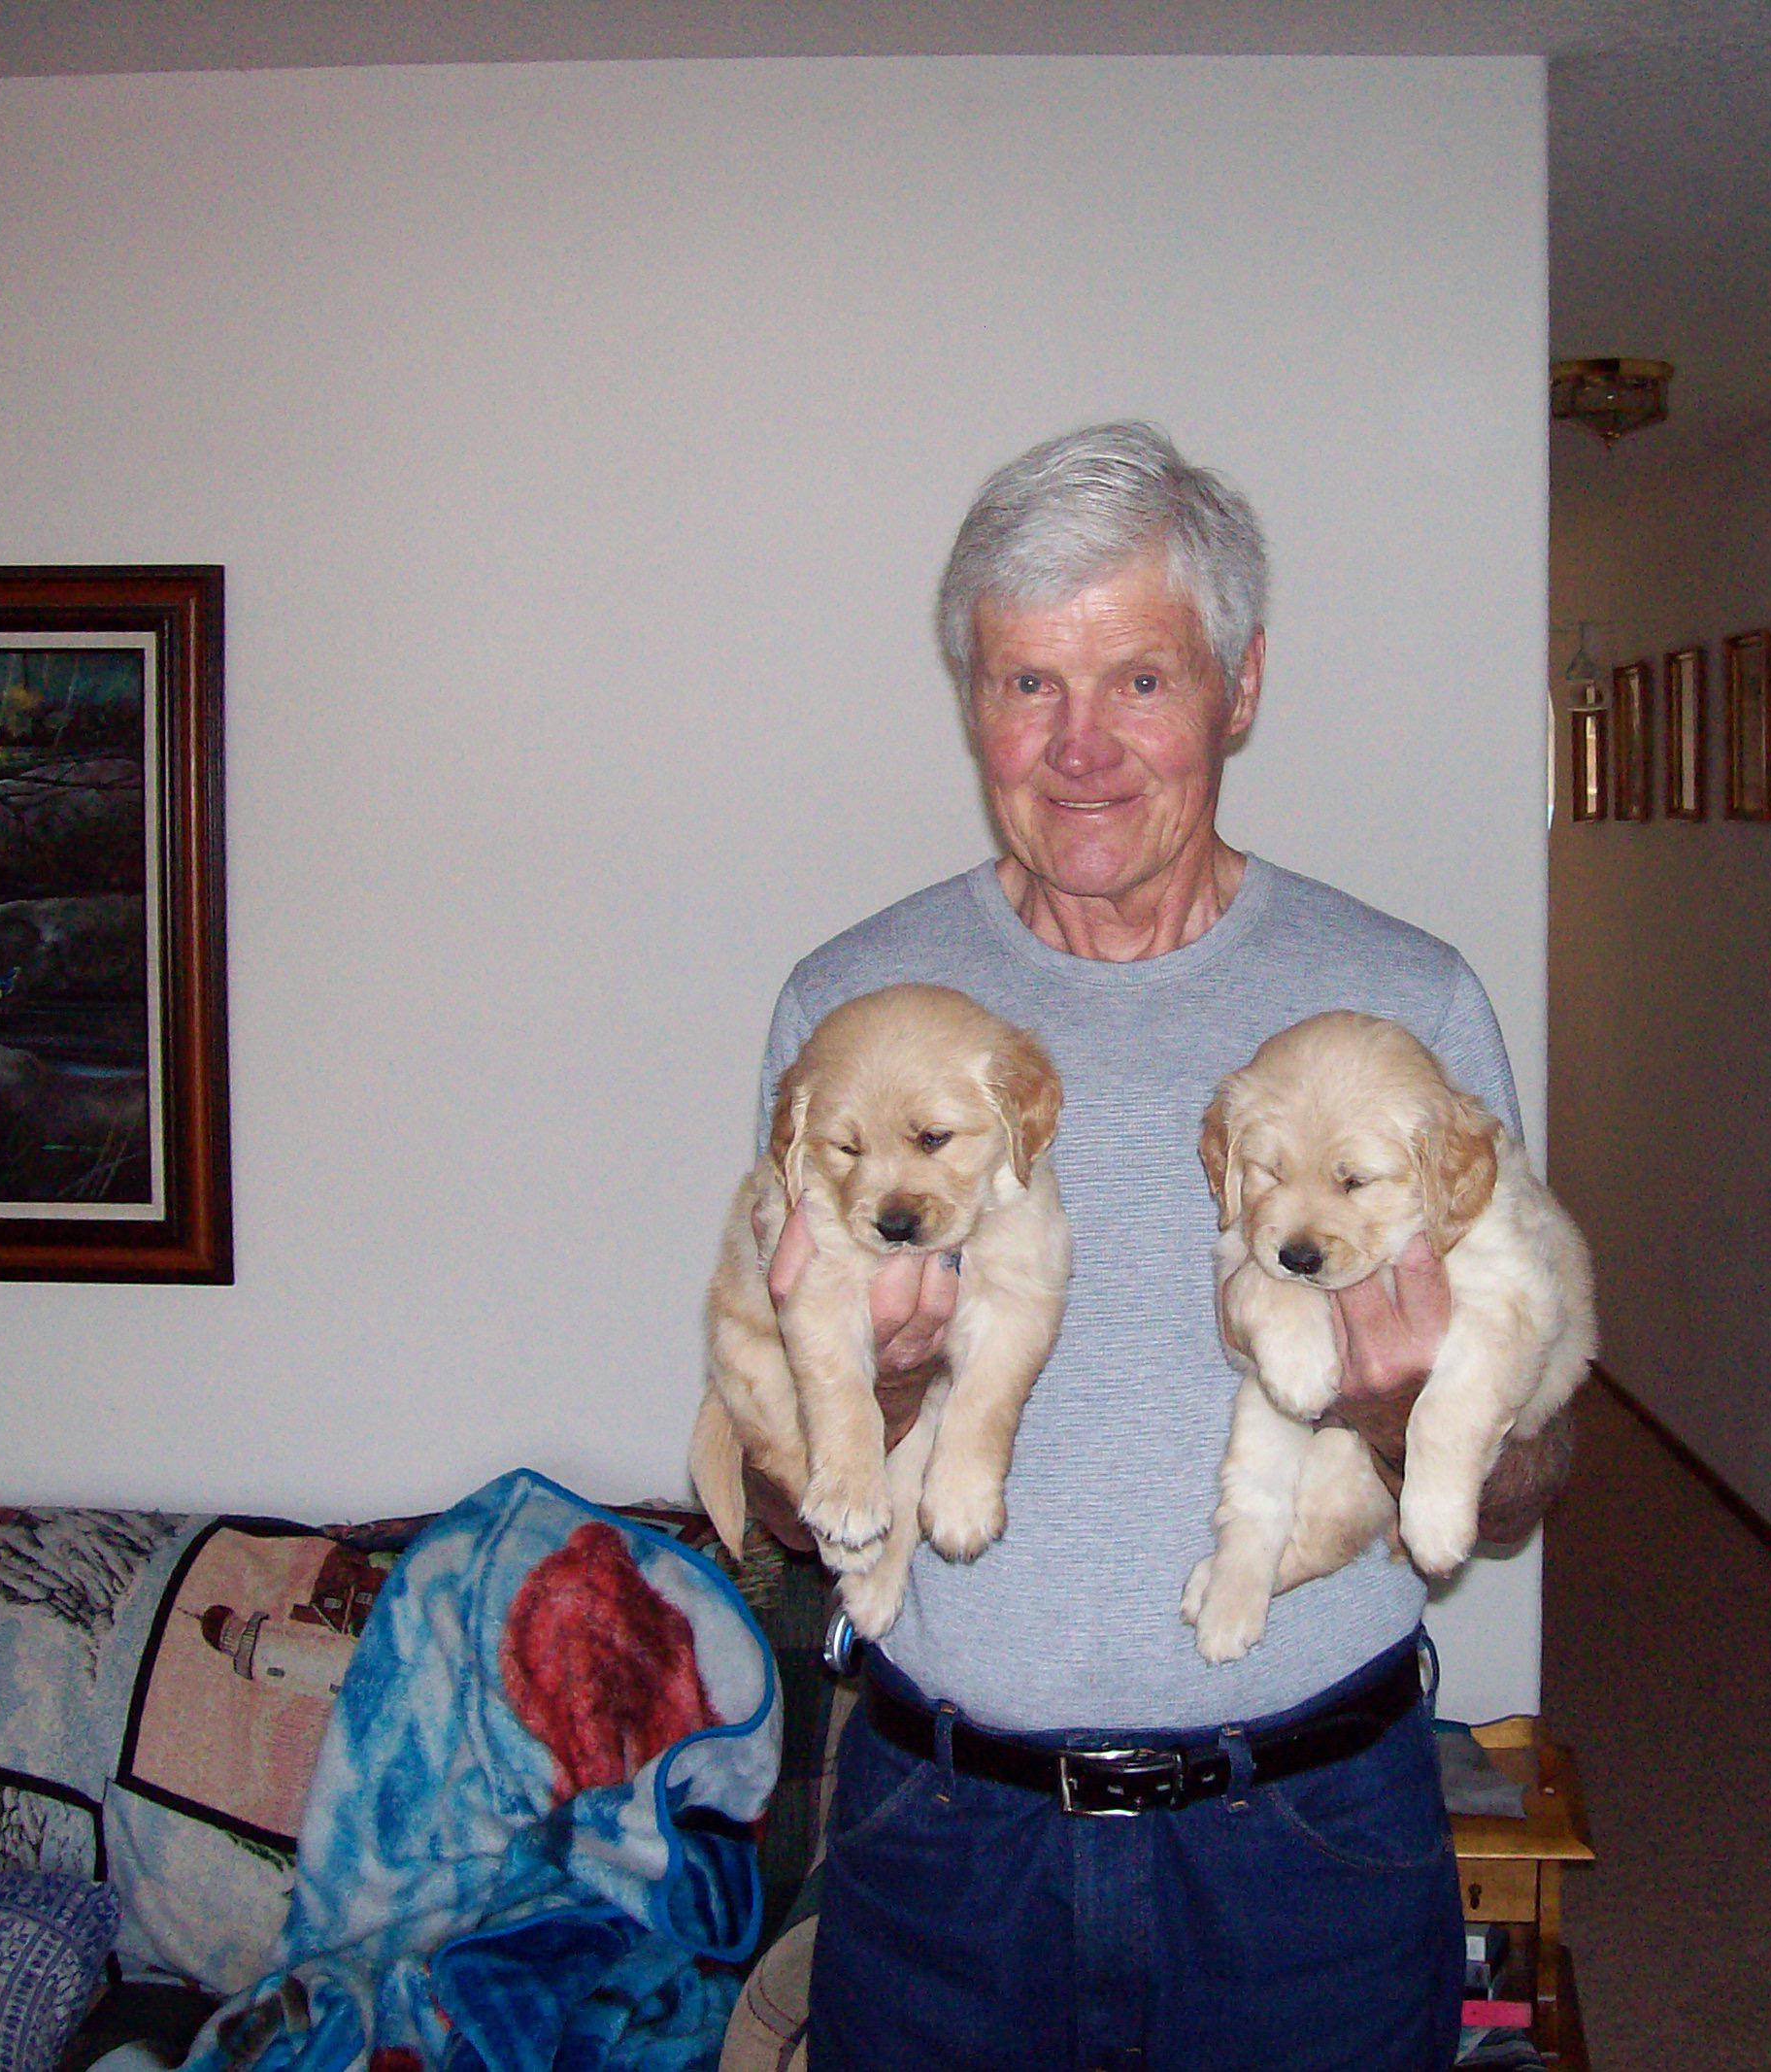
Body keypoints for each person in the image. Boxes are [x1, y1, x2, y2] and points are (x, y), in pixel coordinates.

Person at [746, 422, 1575, 2071]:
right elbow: (783, 1507)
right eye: (1027, 683)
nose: (1080, 748)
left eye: (1139, 679)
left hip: (1305, 1844)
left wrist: (1402, 1408)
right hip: (944, 1844)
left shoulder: (1407, 1003)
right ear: (972, 699)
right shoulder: (850, 1017)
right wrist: (879, 1396)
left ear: (1239, 685)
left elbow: (1528, 1480)